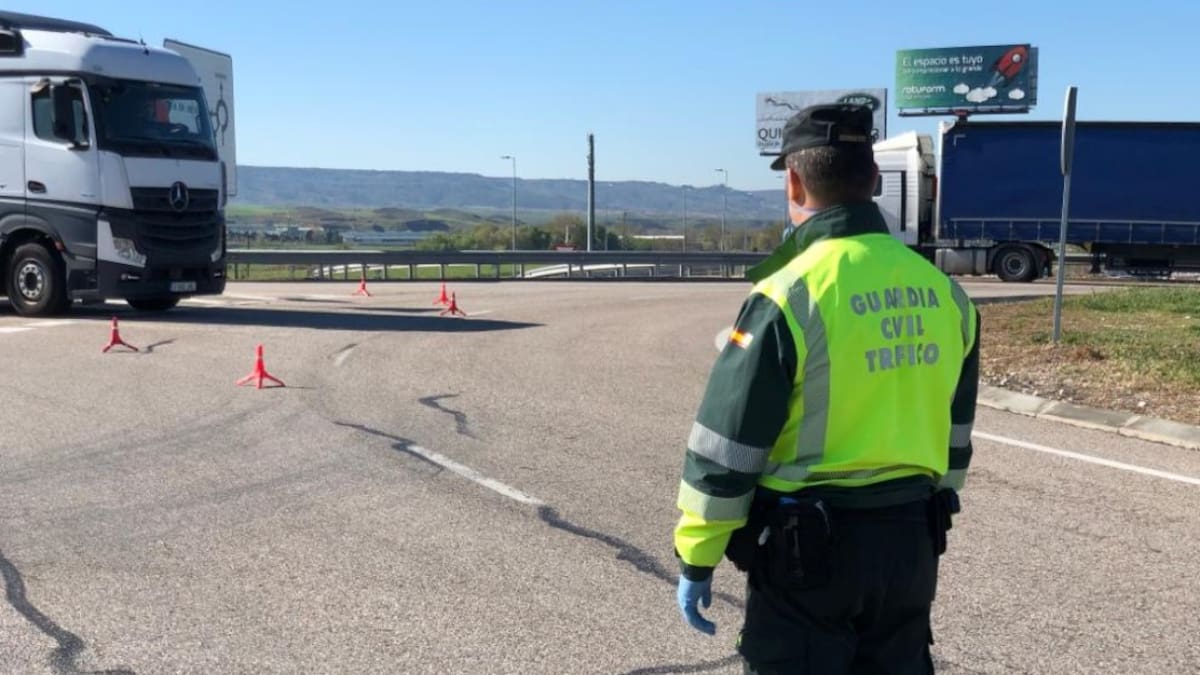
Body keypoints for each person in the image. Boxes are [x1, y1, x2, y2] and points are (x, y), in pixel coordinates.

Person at [671, 103, 981, 674]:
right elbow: (956, 434)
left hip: (808, 557)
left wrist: (697, 555)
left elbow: (728, 445)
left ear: (794, 180)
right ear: (874, 181)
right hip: (912, 544)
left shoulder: (788, 295)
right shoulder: (945, 293)